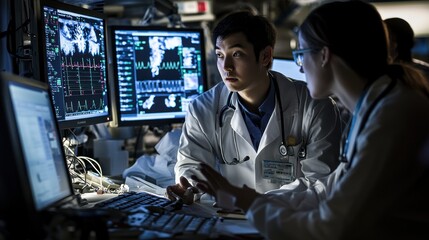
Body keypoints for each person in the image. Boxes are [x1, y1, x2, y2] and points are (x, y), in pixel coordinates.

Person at [192, 1, 429, 239]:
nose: (301, 67)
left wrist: (254, 206)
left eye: (301, 54)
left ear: (324, 55)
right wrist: (248, 199)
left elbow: (329, 228)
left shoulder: (392, 115)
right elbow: (330, 192)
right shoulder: (378, 105)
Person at [166, 10, 344, 204]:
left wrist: (254, 201)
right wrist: (189, 185)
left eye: (236, 54)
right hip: (230, 219)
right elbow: (191, 165)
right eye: (219, 54)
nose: (226, 66)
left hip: (291, 221)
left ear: (266, 56)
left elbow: (321, 182)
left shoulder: (314, 105)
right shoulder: (203, 108)